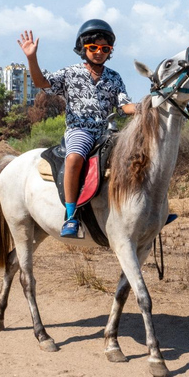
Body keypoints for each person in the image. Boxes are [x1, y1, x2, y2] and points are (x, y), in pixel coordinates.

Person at [18, 19, 137, 238]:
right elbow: (41, 82)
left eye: (104, 49)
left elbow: (123, 106)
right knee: (74, 158)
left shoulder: (114, 77)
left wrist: (144, 107)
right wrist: (31, 57)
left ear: (110, 51)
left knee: (139, 157)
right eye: (93, 48)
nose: (98, 52)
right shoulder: (70, 73)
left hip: (107, 133)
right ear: (83, 48)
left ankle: (145, 211)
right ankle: (71, 216)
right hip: (79, 130)